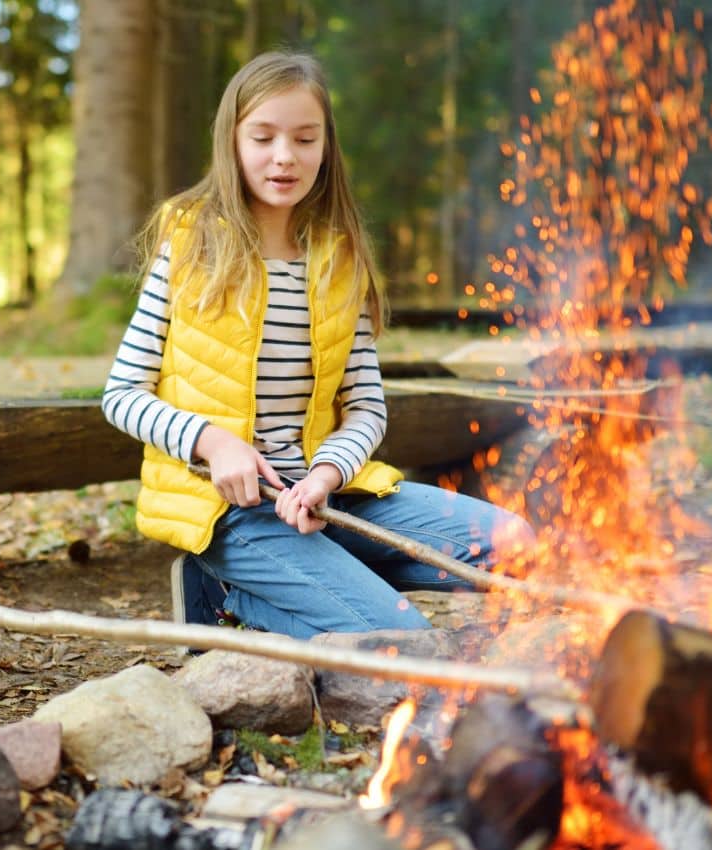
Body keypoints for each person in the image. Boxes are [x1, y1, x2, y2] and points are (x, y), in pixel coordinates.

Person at [101, 52, 532, 640]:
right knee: (399, 639)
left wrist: (327, 474)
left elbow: (366, 406)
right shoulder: (189, 243)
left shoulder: (339, 259)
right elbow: (121, 394)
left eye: (305, 138)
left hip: (327, 499)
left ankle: (309, 583)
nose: (285, 157)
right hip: (231, 513)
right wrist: (214, 442)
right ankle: (232, 592)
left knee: (514, 546)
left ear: (325, 146)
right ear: (232, 141)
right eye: (264, 136)